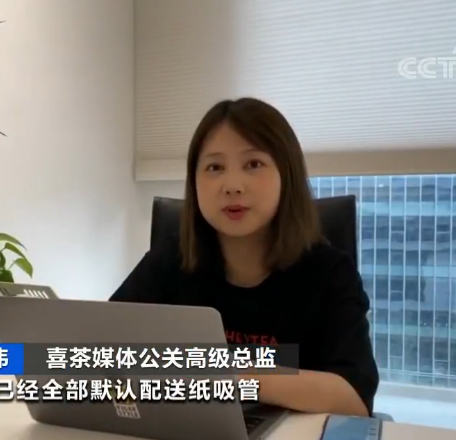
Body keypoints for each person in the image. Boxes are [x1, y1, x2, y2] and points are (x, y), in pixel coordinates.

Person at [110, 97, 379, 417]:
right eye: (214, 167)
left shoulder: (330, 272)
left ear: (287, 174)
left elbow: (353, 398)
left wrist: (235, 378)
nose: (232, 186)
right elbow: (102, 349)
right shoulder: (173, 258)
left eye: (253, 164)